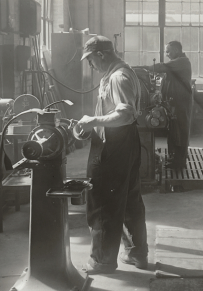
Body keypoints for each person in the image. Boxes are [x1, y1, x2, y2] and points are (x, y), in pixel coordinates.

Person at [77, 35, 148, 274]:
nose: (90, 66)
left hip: (115, 144)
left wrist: (93, 121)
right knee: (129, 197)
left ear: (101, 54)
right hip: (124, 142)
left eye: (90, 60)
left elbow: (126, 115)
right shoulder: (119, 73)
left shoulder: (118, 77)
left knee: (102, 202)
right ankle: (137, 252)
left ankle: (102, 261)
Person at [146, 41, 192, 169]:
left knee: (180, 131)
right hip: (173, 102)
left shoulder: (182, 61)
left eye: (168, 51)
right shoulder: (177, 62)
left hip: (180, 102)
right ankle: (174, 158)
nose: (166, 54)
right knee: (173, 131)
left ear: (176, 50)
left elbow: (162, 67)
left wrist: (144, 68)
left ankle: (179, 162)